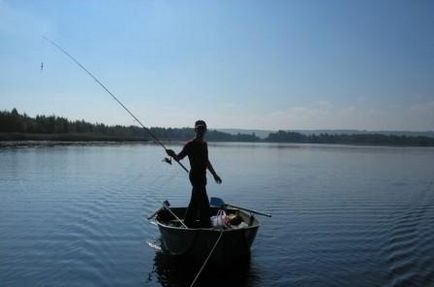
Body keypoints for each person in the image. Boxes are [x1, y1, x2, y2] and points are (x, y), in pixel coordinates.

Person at [166, 120, 222, 228]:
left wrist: (214, 174)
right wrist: (172, 154)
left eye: (202, 128)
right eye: (198, 128)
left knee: (195, 201)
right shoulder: (190, 145)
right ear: (195, 130)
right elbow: (179, 157)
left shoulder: (204, 144)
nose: (200, 131)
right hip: (195, 176)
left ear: (205, 130)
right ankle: (205, 225)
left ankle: (188, 222)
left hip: (203, 176)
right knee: (204, 201)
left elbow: (206, 161)